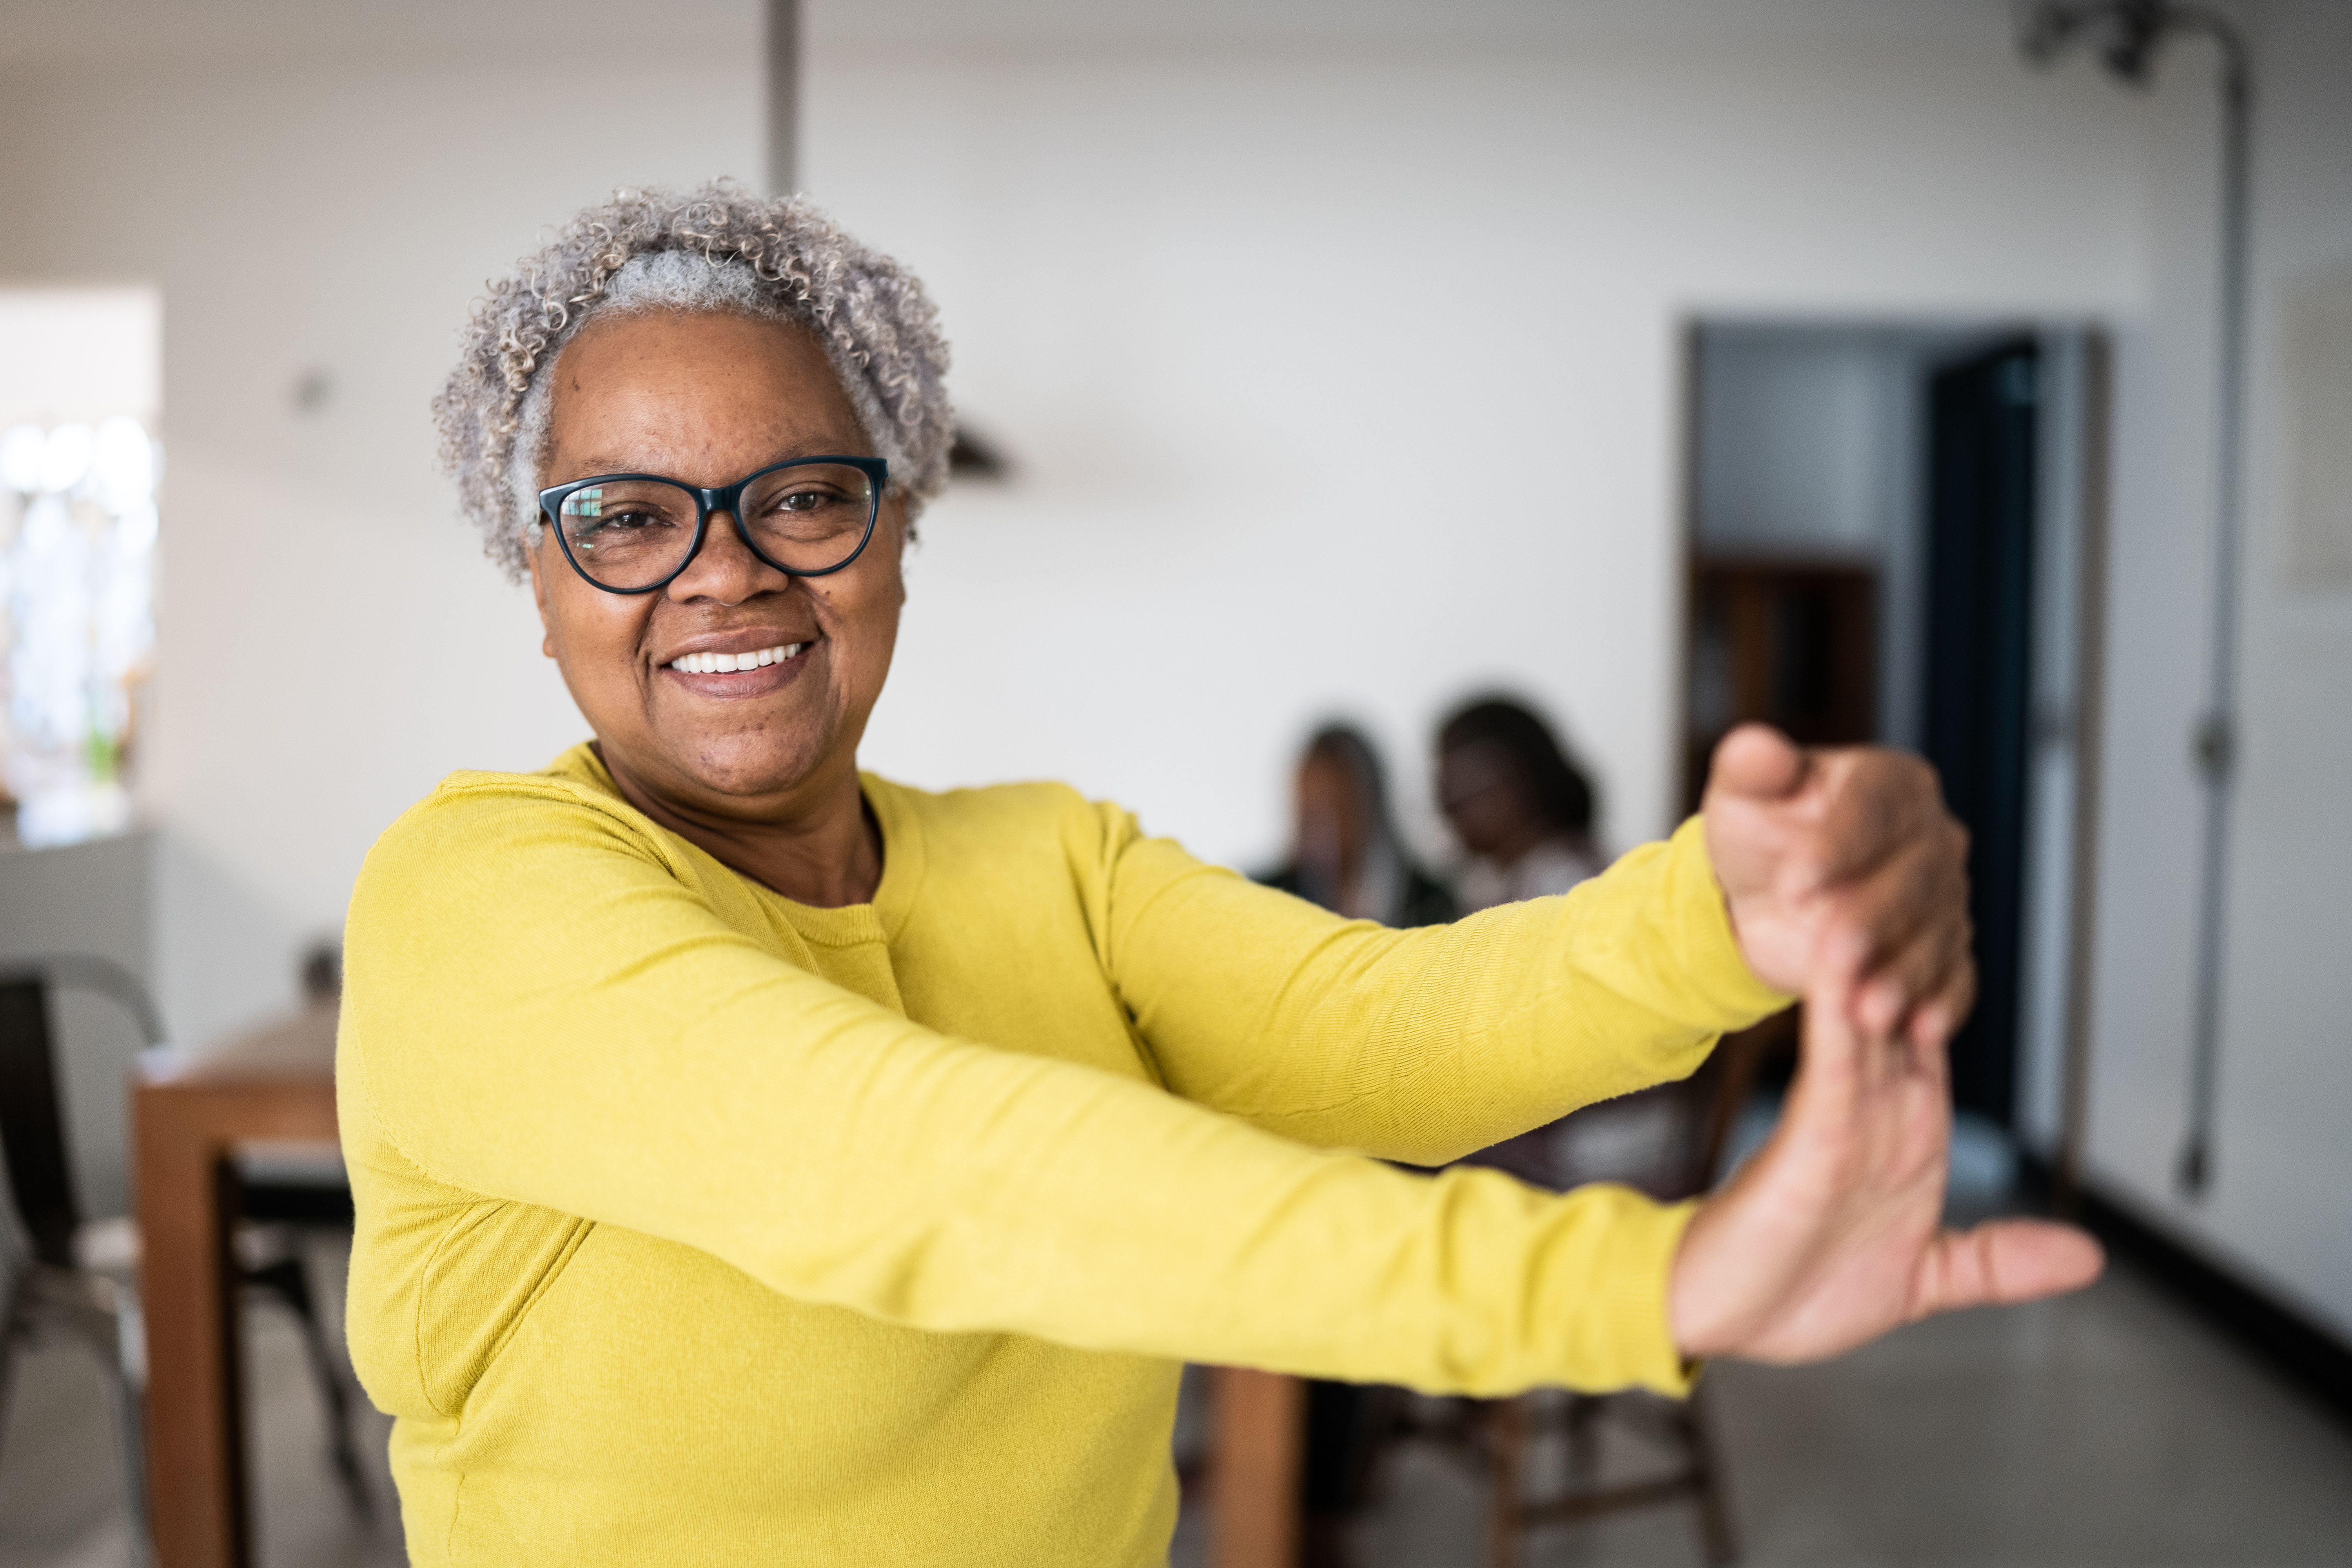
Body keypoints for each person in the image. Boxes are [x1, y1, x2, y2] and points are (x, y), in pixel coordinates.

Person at [338, 182, 2100, 1568]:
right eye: (626, 518)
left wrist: (1729, 909)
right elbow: (909, 1160)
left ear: (892, 531)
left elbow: (1387, 1024)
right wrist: (1624, 1285)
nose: (724, 573)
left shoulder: (1048, 856)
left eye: (802, 496)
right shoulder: (474, 891)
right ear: (539, 576)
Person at [1256, 724, 1452, 1564]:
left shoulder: (1433, 901)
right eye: (1304, 801)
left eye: (1332, 800)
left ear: (1371, 802)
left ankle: (1313, 1499)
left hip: (1394, 1149)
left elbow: (1447, 1053)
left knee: (1326, 1251)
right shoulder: (1255, 892)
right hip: (1284, 1141)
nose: (1315, 819)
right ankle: (1263, 1468)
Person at [1260, 722, 1454, 928]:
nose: (1317, 831)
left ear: (1369, 807)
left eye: (1331, 811)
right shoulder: (1266, 899)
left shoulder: (1431, 902)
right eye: (1307, 813)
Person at [1437, 694, 1606, 911]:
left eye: (1460, 784)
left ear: (1519, 777)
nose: (1448, 805)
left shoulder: (1564, 882)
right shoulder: (1495, 882)